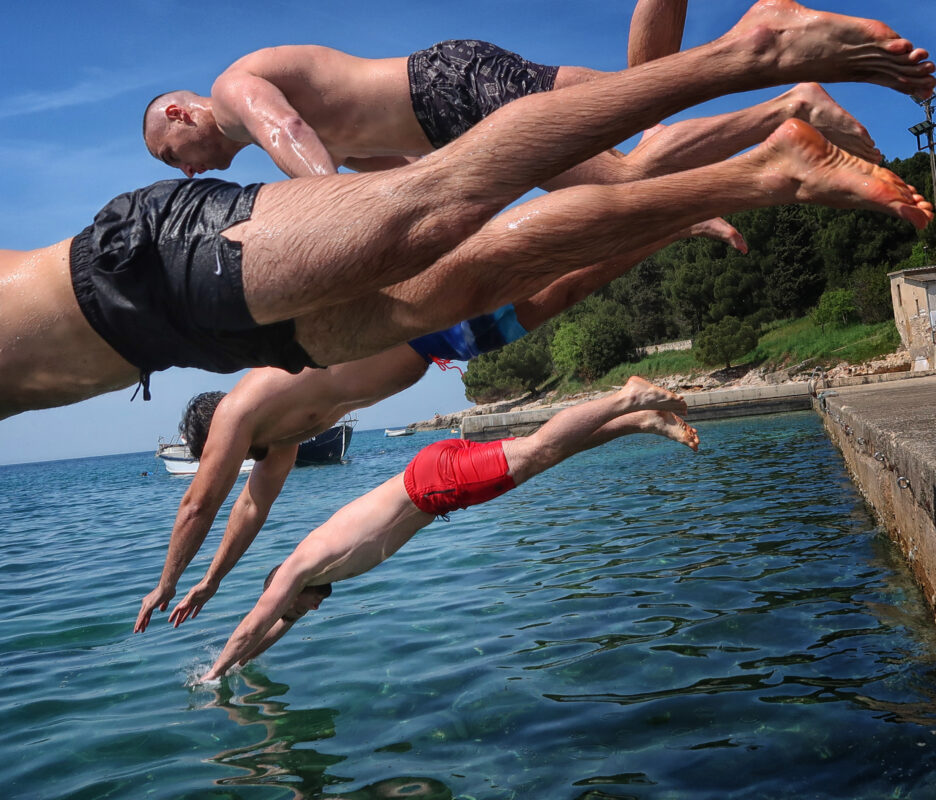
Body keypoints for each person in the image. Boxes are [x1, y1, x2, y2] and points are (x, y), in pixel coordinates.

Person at [0, 0, 934, 679]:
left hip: (134, 267)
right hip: (185, 330)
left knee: (422, 219)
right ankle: (775, 166)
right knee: (456, 276)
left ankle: (755, 59)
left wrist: (336, 211)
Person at [135, 219, 746, 633]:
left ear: (214, 429)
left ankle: (673, 216)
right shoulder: (282, 444)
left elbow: (201, 503)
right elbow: (248, 512)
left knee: (544, 261)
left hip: (421, 313)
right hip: (437, 343)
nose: (225, 457)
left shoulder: (244, 407)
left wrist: (166, 584)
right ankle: (672, 232)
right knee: (565, 290)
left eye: (214, 448)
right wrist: (209, 584)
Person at [199, 377, 700, 681]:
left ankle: (627, 398)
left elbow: (253, 625)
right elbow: (271, 630)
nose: (301, 613)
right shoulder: (314, 575)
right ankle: (641, 422)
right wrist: (240, 666)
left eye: (289, 610)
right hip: (434, 481)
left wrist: (213, 674)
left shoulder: (298, 567)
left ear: (282, 592)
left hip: (434, 485)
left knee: (537, 450)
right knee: (543, 455)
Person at [144, 5, 882, 184]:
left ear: (179, 114)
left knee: (624, 170)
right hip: (452, 99)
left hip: (446, 94)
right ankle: (772, 69)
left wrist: (329, 214)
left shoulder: (231, 89)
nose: (181, 170)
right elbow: (403, 184)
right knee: (646, 104)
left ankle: (784, 103)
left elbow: (291, 140)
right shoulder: (311, 130)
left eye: (167, 152)